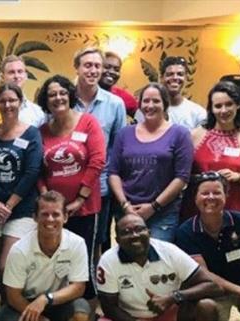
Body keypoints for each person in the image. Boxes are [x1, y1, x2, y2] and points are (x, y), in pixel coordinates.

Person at [36, 75, 106, 301]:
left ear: (70, 95)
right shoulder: (42, 131)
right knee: (57, 259)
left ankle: (87, 308)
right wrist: (47, 197)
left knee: (83, 261)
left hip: (84, 208)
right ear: (46, 101)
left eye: (62, 93)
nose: (58, 98)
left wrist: (79, 199)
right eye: (52, 95)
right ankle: (60, 305)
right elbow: (38, 170)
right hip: (53, 212)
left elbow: (97, 161)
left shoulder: (88, 122)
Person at [175, 172, 240, 321]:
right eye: (205, 193)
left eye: (217, 193)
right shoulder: (186, 232)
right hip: (213, 289)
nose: (211, 197)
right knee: (205, 307)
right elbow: (205, 275)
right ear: (195, 198)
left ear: (226, 196)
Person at [109, 83, 194, 242]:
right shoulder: (124, 133)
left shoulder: (180, 134)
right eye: (146, 101)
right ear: (140, 105)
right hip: (127, 209)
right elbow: (113, 172)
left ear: (165, 104)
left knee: (158, 259)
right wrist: (125, 205)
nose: (150, 106)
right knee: (127, 258)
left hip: (163, 212)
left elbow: (182, 177)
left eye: (156, 101)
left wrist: (154, 207)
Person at [96, 214, 220, 321]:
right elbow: (109, 307)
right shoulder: (108, 261)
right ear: (117, 240)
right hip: (130, 316)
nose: (134, 235)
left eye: (139, 229)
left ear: (149, 233)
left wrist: (174, 297)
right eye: (126, 232)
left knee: (207, 306)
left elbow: (213, 286)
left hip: (172, 313)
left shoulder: (169, 251)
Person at [0, 83, 43, 284]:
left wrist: (8, 207)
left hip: (20, 211)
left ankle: (10, 310)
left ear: (21, 102)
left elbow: (32, 172)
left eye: (12, 100)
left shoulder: (32, 133)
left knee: (5, 266)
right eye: (3, 100)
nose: (7, 105)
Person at [0, 191, 91, 321]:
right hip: (24, 303)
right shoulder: (19, 249)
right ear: (35, 217)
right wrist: (41, 319)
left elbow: (78, 287)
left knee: (81, 308)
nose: (50, 219)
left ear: (65, 217)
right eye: (44, 214)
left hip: (56, 300)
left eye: (56, 214)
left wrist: (46, 299)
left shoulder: (77, 243)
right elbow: (13, 297)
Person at [70, 47, 127, 255]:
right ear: (77, 68)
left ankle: (94, 285)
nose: (93, 71)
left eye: (97, 66)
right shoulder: (64, 100)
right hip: (66, 181)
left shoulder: (115, 104)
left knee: (96, 241)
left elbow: (118, 147)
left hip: (100, 185)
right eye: (87, 65)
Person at [181, 81, 240, 219]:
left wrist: (239, 177)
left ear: (237, 105)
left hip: (233, 208)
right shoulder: (194, 135)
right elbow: (182, 174)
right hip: (196, 208)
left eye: (229, 104)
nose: (224, 110)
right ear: (211, 109)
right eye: (218, 106)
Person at [135, 56, 206, 130]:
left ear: (185, 78)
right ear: (161, 78)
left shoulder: (198, 113)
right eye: (170, 74)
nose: (175, 77)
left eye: (180, 74)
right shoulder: (146, 110)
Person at [0, 55, 47, 128]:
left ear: (26, 76)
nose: (16, 76)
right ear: (2, 77)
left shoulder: (38, 113)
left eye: (20, 71)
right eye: (11, 72)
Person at [99, 51, 138, 117]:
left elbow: (143, 119)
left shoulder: (122, 96)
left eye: (116, 70)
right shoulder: (84, 93)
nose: (112, 72)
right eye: (107, 67)